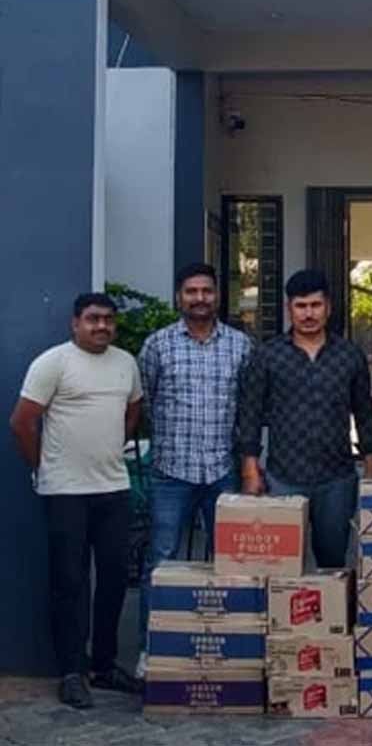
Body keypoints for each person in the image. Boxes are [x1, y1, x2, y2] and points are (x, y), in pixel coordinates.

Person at [9, 293, 143, 709]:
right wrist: (43, 467)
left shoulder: (125, 363)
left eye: (108, 320)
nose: (102, 326)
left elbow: (133, 410)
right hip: (65, 491)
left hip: (113, 488)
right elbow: (22, 422)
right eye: (93, 319)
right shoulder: (54, 363)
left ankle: (103, 665)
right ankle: (71, 671)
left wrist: (110, 448)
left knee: (115, 579)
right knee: (69, 583)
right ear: (75, 323)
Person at [135, 263, 254, 673]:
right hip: (171, 471)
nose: (199, 298)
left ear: (217, 295)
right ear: (178, 297)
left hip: (222, 469)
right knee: (160, 560)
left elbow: (248, 408)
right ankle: (152, 650)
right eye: (191, 291)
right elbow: (146, 401)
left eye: (206, 291)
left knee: (231, 563)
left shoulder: (240, 346)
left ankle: (228, 650)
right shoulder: (157, 346)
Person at [239, 269, 372, 568]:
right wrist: (250, 470)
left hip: (337, 479)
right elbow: (250, 415)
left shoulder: (349, 355)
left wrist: (370, 472)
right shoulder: (267, 355)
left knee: (333, 562)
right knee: (282, 563)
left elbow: (365, 414)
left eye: (315, 305)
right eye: (301, 306)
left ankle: (332, 602)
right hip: (284, 477)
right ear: (289, 309)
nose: (308, 314)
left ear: (328, 307)